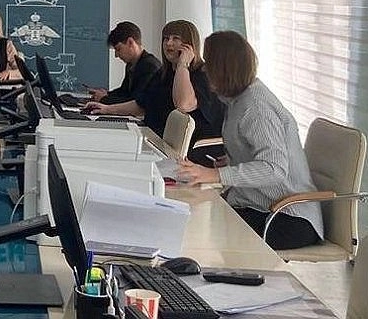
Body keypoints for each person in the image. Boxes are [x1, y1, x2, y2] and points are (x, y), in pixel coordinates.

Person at [176, 31, 323, 250]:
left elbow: (274, 169)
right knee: (194, 219)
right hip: (260, 206)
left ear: (223, 68)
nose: (205, 70)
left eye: (210, 63)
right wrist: (231, 160)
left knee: (200, 233)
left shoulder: (256, 107)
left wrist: (215, 175)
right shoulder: (238, 99)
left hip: (287, 217)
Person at [84, 20, 224, 150]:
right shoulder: (163, 73)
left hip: (194, 149)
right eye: (166, 38)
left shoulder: (203, 73)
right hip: (156, 140)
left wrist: (182, 65)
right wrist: (107, 109)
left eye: (175, 38)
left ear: (189, 45)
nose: (168, 43)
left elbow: (183, 105)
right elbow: (142, 103)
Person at [88, 21, 161, 104]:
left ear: (130, 42)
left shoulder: (150, 66)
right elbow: (124, 92)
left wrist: (104, 99)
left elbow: (135, 102)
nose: (116, 55)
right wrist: (107, 94)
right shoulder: (131, 64)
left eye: (118, 49)